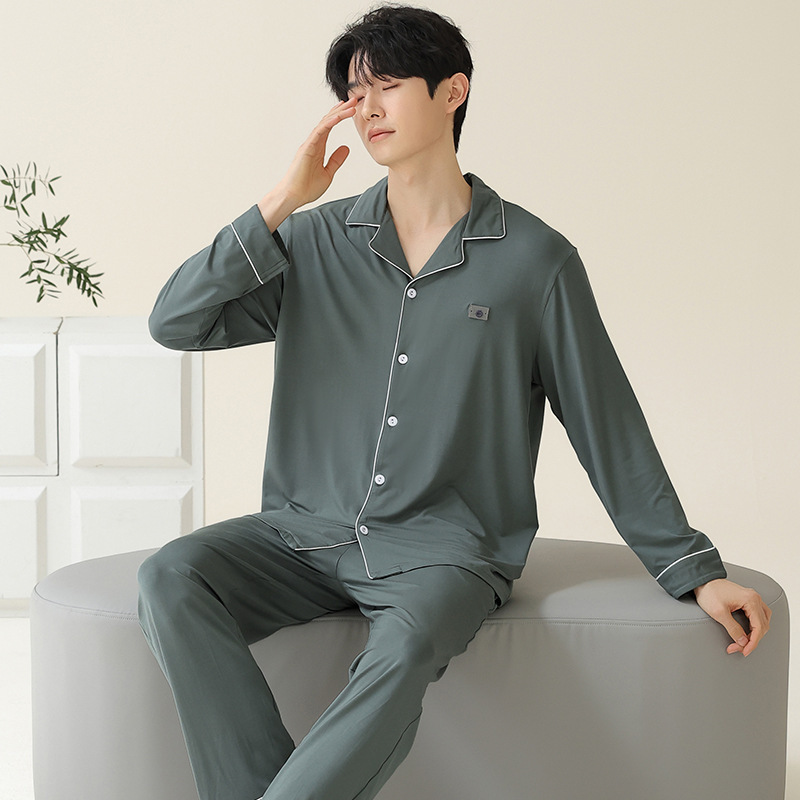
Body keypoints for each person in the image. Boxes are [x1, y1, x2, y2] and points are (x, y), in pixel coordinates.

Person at [136, 5, 772, 800]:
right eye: (353, 92)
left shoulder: (535, 261)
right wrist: (282, 200)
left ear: (452, 92)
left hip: (445, 550)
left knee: (401, 651)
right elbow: (175, 322)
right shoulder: (314, 241)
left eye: (387, 85)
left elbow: (606, 424)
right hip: (304, 529)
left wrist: (692, 570)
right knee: (172, 576)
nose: (365, 108)